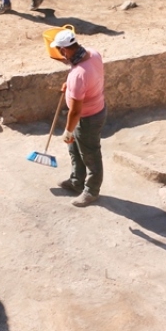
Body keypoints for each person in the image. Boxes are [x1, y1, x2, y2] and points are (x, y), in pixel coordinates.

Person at [52, 29, 105, 207]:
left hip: (88, 117)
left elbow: (75, 111)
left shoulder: (78, 75)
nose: (61, 55)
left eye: (60, 50)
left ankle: (91, 191)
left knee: (90, 154)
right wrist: (70, 86)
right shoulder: (93, 53)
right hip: (94, 110)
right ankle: (77, 181)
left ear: (65, 50)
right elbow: (91, 76)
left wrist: (67, 131)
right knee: (75, 150)